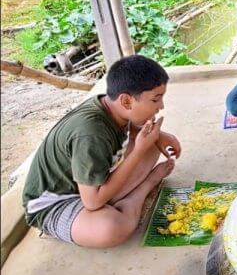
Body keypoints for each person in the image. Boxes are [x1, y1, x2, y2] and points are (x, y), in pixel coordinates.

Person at [22, 55, 180, 248]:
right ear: (127, 101)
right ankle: (145, 188)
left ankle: (116, 199)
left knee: (152, 144)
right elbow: (92, 202)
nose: (161, 106)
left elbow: (131, 127)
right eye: (156, 99)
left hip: (88, 184)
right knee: (112, 228)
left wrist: (160, 135)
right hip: (56, 203)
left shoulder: (110, 106)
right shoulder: (90, 134)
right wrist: (138, 153)